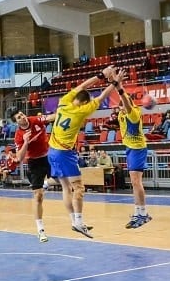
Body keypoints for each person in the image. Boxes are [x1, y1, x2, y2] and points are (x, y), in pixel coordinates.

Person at [48, 65, 122, 238]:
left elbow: (82, 87)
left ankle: (74, 221)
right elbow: (103, 96)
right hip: (64, 153)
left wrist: (100, 75)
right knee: (79, 188)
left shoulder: (63, 102)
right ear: (83, 103)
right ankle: (79, 222)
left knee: (66, 188)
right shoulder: (81, 111)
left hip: (52, 150)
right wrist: (115, 83)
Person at [13, 109, 55, 242]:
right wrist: (26, 141)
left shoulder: (35, 120)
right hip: (34, 162)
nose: (23, 117)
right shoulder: (19, 135)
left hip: (48, 156)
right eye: (19, 117)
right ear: (16, 122)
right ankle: (40, 230)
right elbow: (19, 157)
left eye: (22, 114)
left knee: (62, 179)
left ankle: (46, 183)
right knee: (38, 196)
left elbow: (50, 118)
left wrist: (63, 112)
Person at [116, 85, 151, 229]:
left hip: (137, 148)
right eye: (120, 107)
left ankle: (143, 213)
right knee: (133, 182)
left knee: (136, 182)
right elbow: (123, 106)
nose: (122, 109)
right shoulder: (121, 114)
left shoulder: (134, 113)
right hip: (130, 148)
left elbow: (128, 105)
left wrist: (119, 88)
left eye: (124, 106)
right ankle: (137, 213)